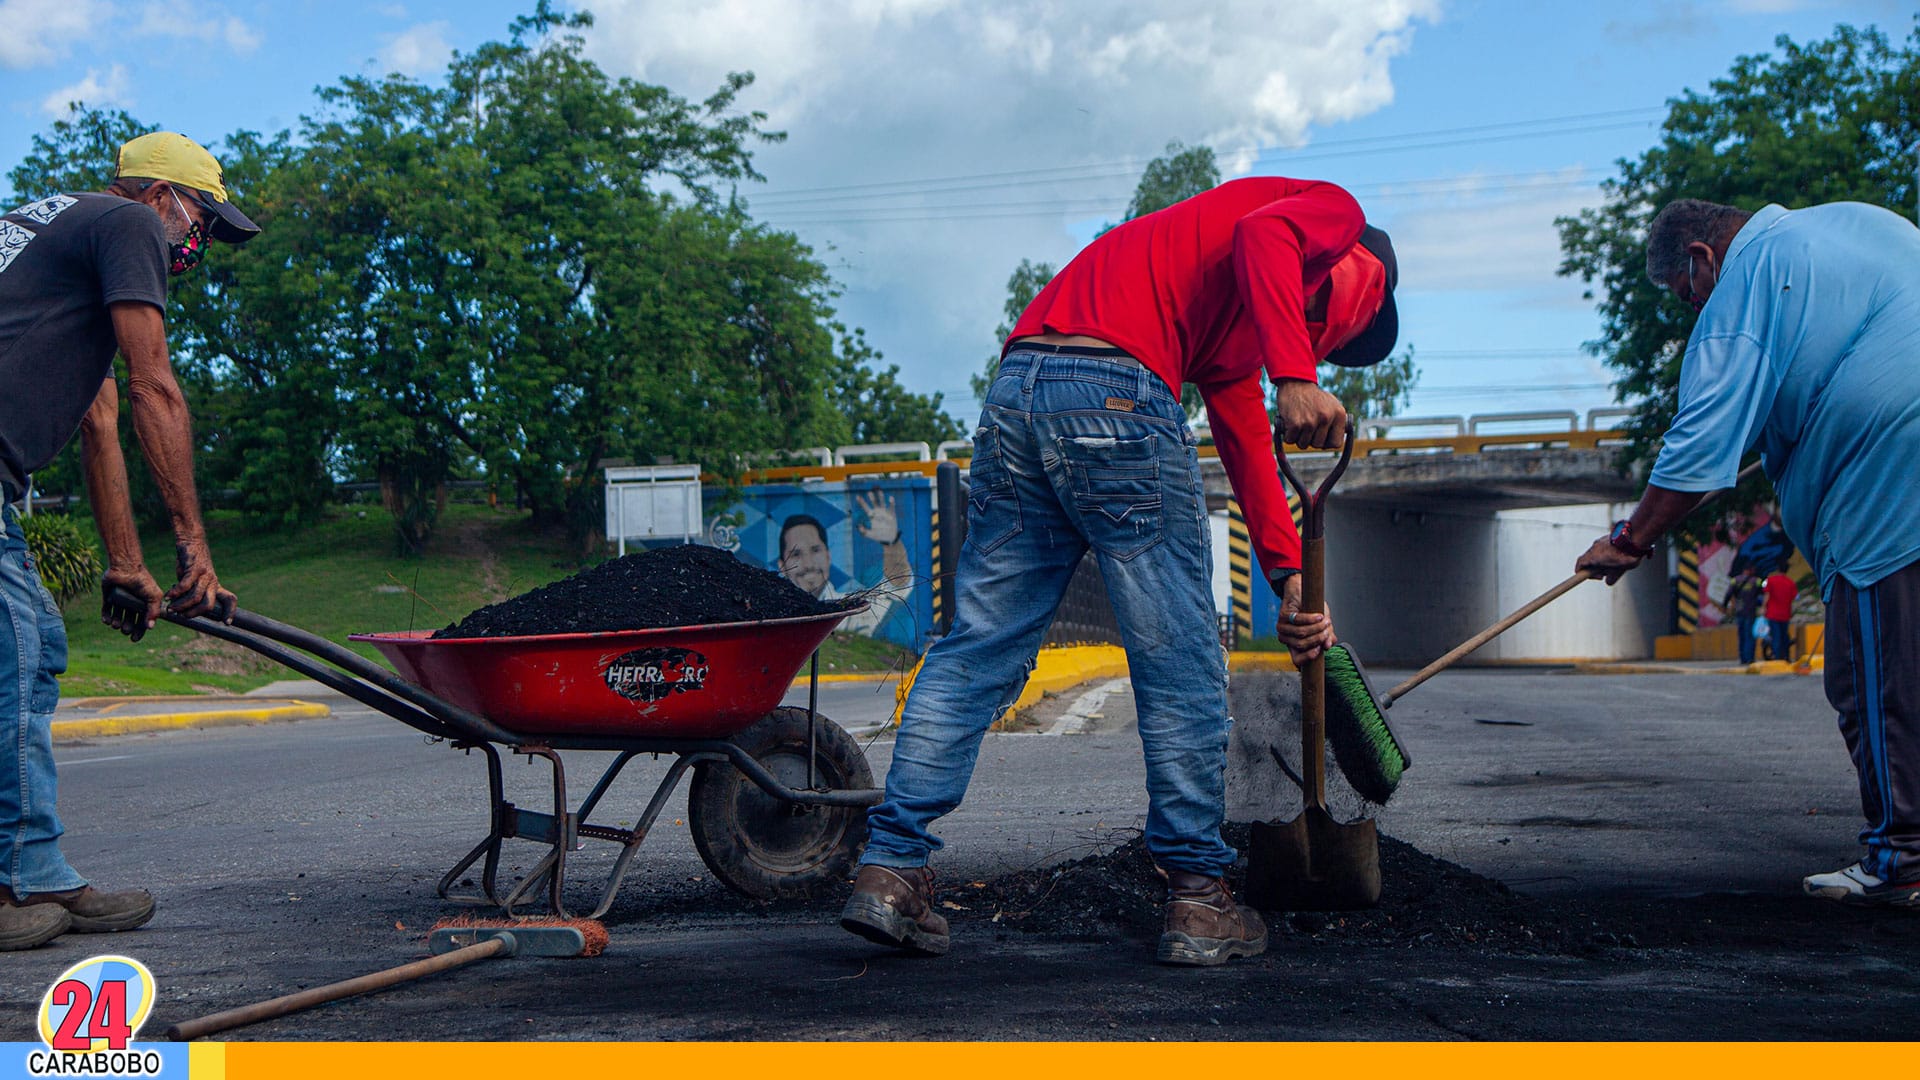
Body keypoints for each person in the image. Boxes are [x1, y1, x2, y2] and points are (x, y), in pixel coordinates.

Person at [838, 176, 1398, 965]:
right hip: (1119, 389)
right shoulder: (1331, 213)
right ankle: (1199, 896)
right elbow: (1269, 242)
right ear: (1357, 281)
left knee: (977, 648)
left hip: (1017, 390)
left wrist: (1287, 578)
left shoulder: (1220, 329)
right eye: (1335, 336)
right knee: (1179, 658)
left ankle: (890, 869)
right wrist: (1298, 373)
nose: (1320, 342)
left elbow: (1246, 449)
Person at [1575, 196, 1920, 907]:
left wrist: (1628, 540)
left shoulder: (1742, 284)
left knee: (1874, 677)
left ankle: (1905, 856)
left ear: (1701, 259)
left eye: (1685, 295)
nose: (1694, 311)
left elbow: (1701, 447)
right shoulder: (1850, 224)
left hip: (1891, 458)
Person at [0, 132, 259, 950]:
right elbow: (154, 387)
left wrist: (126, 564)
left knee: (35, 643)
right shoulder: (126, 225)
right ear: (158, 195)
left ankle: (34, 871)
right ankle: (13, 881)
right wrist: (194, 550)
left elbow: (101, 415)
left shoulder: (57, 237)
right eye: (202, 223)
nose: (198, 244)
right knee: (11, 659)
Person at [777, 490, 915, 637]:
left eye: (815, 550)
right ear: (782, 566)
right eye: (796, 554)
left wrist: (891, 543)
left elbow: (895, 590)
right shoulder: (773, 616)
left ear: (828, 556)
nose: (808, 563)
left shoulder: (853, 610)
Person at [1726, 568, 1763, 666]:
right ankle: (1750, 658)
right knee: (1749, 636)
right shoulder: (1756, 581)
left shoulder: (1735, 580)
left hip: (1739, 612)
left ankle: (1743, 659)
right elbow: (1763, 592)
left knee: (1741, 636)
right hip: (1751, 612)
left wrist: (1727, 607)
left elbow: (1728, 594)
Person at [1763, 569, 1798, 662]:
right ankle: (1786, 656)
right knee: (1784, 636)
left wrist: (1763, 608)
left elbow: (1767, 595)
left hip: (1773, 614)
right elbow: (1794, 598)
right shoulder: (1790, 582)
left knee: (1776, 636)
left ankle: (1777, 657)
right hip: (1785, 614)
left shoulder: (1770, 580)